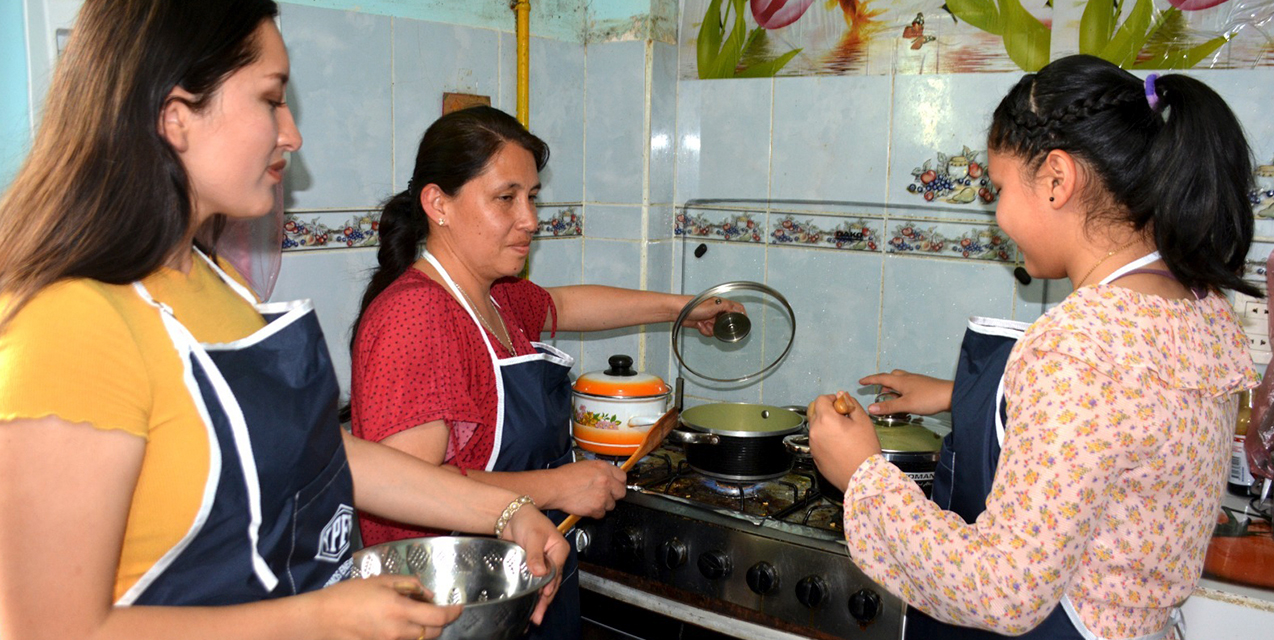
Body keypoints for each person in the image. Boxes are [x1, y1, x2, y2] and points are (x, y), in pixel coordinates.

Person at [0, 3, 568, 640]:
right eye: (271, 100)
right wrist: (318, 620)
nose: (292, 133)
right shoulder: (71, 324)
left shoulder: (212, 283)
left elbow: (320, 454)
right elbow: (50, 628)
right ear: (175, 116)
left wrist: (508, 510)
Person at [808, 54, 1260, 640]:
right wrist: (962, 396)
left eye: (997, 188)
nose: (996, 215)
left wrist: (864, 476)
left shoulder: (1077, 345)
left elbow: (1001, 591)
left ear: (1055, 180)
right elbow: (1122, 428)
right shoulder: (1198, 308)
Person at [348, 105, 744, 640]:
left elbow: (569, 305)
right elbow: (409, 492)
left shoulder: (495, 295)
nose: (530, 219)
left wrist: (685, 306)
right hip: (456, 607)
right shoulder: (416, 316)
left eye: (531, 197)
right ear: (438, 204)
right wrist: (557, 486)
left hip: (523, 576)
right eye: (505, 198)